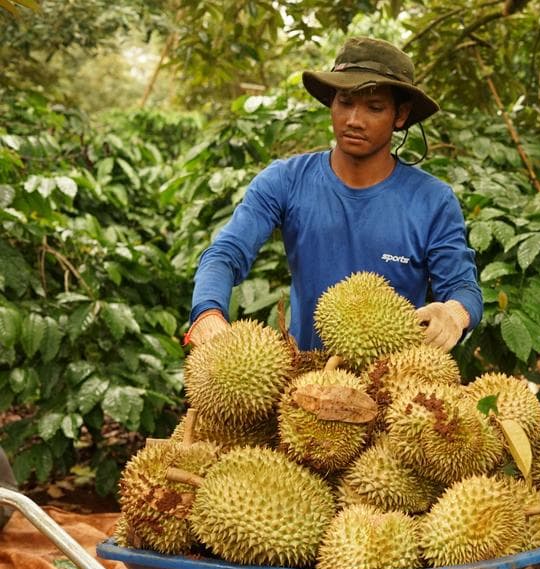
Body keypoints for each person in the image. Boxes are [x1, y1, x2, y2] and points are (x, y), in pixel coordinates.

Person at [185, 37, 483, 354]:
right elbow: (225, 253)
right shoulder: (285, 180)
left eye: (374, 107)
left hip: (394, 377)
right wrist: (207, 311)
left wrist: (454, 313)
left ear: (400, 115)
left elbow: (462, 287)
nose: (354, 120)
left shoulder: (432, 200)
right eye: (345, 102)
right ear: (331, 103)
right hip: (303, 373)